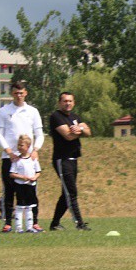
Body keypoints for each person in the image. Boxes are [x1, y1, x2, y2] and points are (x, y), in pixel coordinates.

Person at [0, 81, 45, 233]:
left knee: (31, 190)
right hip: (10, 157)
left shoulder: (32, 111)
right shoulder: (4, 111)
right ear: (11, 94)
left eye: (21, 93)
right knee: (9, 191)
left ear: (25, 93)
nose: (18, 96)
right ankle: (8, 223)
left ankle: (34, 222)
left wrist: (35, 150)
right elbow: (0, 133)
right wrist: (9, 151)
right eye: (16, 93)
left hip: (28, 159)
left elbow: (39, 134)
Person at [49, 92, 92, 231]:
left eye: (70, 101)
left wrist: (78, 128)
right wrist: (80, 129)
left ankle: (54, 224)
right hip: (62, 159)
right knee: (71, 192)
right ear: (59, 102)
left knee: (66, 193)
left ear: (73, 102)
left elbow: (88, 132)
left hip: (74, 159)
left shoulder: (75, 117)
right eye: (65, 101)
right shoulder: (56, 117)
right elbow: (68, 135)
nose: (68, 103)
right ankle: (79, 223)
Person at [9, 134, 41, 233]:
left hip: (30, 186)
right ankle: (19, 227)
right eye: (18, 145)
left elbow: (38, 171)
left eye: (21, 145)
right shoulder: (17, 160)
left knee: (29, 206)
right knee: (20, 206)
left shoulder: (33, 159)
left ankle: (29, 227)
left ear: (28, 146)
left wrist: (34, 178)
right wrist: (22, 177)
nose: (19, 147)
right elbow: (12, 174)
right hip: (20, 186)